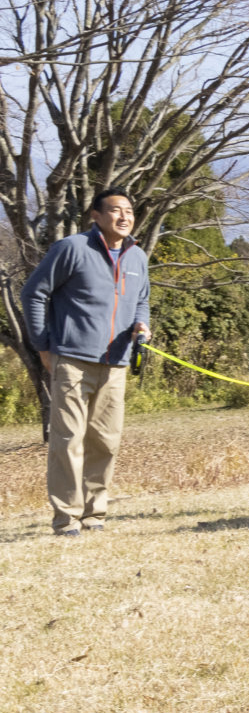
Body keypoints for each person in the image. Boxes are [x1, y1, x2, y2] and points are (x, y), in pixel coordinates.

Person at [20, 187, 152, 536]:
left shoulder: (137, 257)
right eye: (114, 210)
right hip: (72, 360)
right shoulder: (72, 249)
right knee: (67, 440)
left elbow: (142, 300)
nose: (124, 217)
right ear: (96, 215)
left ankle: (95, 515)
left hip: (116, 362)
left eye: (129, 211)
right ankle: (66, 519)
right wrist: (43, 346)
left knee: (106, 441)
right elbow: (33, 293)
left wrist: (142, 324)